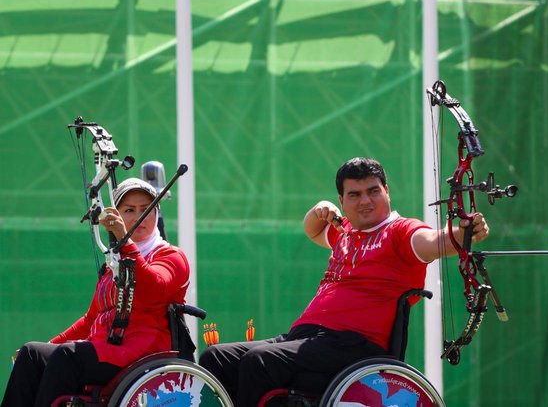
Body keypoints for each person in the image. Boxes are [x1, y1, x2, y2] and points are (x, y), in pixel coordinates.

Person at [199, 157, 490, 406]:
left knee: (259, 361)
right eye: (354, 194)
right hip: (305, 338)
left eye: (373, 191)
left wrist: (463, 233)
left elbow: (434, 241)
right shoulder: (346, 231)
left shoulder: (401, 231)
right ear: (342, 201)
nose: (365, 201)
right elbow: (313, 231)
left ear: (387, 191)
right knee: (216, 357)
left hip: (354, 344)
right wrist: (319, 209)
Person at [1, 178, 191, 407]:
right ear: (117, 215)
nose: (139, 216)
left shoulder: (171, 256)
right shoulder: (112, 266)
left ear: (156, 214)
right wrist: (52, 343)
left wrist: (124, 240)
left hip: (142, 352)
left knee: (67, 356)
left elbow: (153, 289)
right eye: (129, 210)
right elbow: (91, 319)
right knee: (32, 354)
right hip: (105, 348)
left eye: (146, 209)